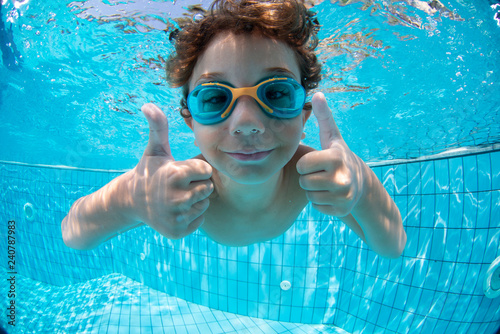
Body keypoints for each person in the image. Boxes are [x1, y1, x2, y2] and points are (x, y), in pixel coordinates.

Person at [61, 0, 406, 258]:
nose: (246, 124)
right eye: (214, 99)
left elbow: (392, 246)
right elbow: (73, 233)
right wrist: (132, 199)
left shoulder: (315, 176)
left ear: (304, 116)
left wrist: (361, 183)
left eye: (275, 92)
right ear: (191, 123)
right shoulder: (181, 189)